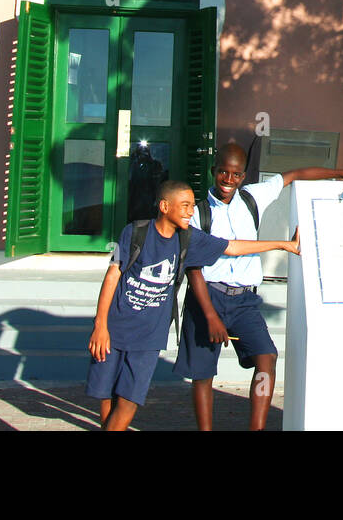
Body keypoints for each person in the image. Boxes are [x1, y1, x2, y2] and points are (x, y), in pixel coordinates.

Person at [174, 141, 343, 430]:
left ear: (243, 175)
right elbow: (194, 270)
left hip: (244, 301)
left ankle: (257, 427)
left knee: (267, 356)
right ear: (213, 170)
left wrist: (340, 172)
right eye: (223, 173)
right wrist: (211, 317)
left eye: (236, 174)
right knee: (204, 373)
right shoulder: (198, 212)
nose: (229, 180)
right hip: (208, 297)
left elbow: (293, 175)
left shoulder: (253, 197)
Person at [86, 180, 300, 431]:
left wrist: (285, 245)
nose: (190, 211)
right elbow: (112, 276)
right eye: (185, 206)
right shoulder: (133, 232)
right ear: (165, 206)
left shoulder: (189, 238)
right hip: (115, 330)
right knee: (106, 394)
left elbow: (232, 247)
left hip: (148, 339)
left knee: (129, 400)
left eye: (191, 205)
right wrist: (100, 326)